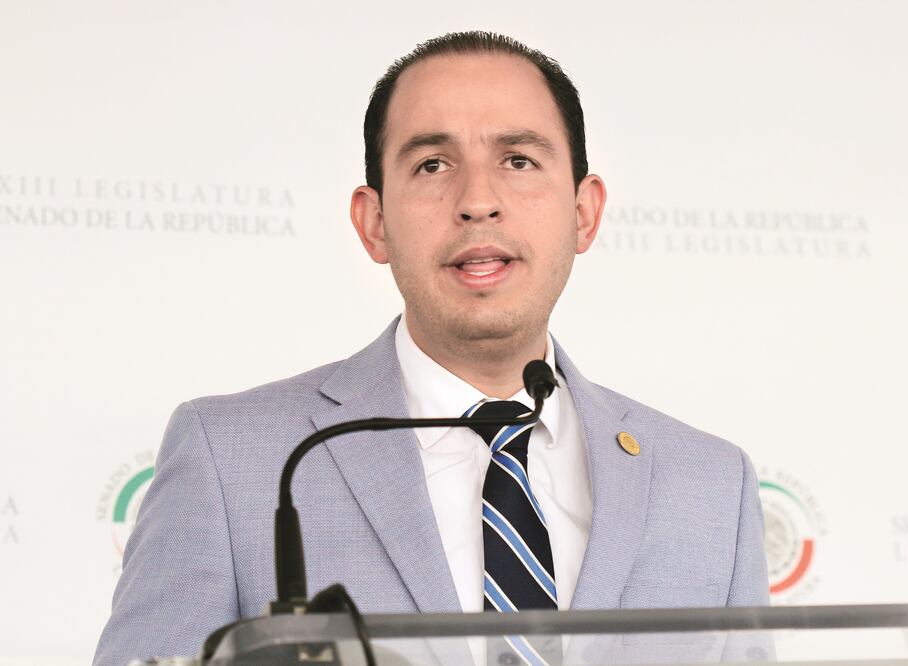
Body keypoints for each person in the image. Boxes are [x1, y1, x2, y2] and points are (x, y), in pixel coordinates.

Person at [94, 31, 769, 666]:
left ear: (583, 212)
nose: (477, 201)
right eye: (432, 164)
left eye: (518, 160)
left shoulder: (711, 486)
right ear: (374, 223)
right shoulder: (233, 460)